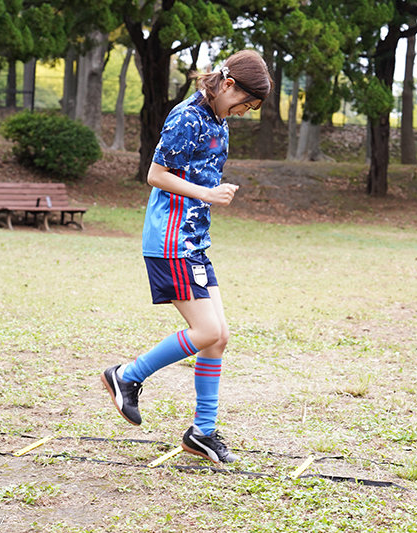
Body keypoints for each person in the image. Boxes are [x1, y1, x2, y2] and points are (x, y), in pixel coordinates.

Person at [102, 50, 273, 464]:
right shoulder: (188, 116)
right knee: (207, 330)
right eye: (246, 103)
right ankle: (126, 376)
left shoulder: (218, 119)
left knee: (219, 336)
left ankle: (202, 432)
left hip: (193, 242)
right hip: (170, 241)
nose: (244, 112)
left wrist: (206, 196)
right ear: (228, 85)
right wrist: (207, 194)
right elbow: (156, 175)